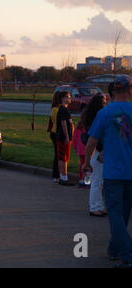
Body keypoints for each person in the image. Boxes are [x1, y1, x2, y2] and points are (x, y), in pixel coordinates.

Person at [84, 75, 132, 268]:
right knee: (123, 214)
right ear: (130, 89)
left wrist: (87, 162)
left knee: (115, 214)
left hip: (113, 172)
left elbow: (91, 142)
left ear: (113, 91)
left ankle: (127, 253)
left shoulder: (104, 113)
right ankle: (114, 249)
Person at [81, 93, 107, 216]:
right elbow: (97, 138)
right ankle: (95, 207)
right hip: (98, 152)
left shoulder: (91, 116)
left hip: (96, 151)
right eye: (104, 101)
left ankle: (99, 205)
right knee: (97, 181)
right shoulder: (98, 117)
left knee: (99, 181)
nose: (105, 103)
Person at [56, 91, 74, 186]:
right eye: (67, 96)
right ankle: (64, 178)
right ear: (62, 98)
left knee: (62, 157)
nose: (69, 98)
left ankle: (62, 177)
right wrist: (67, 136)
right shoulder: (63, 110)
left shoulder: (65, 109)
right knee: (64, 158)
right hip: (63, 137)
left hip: (64, 137)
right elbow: (64, 123)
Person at [47, 91, 61, 183]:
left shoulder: (55, 109)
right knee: (58, 155)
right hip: (56, 133)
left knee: (58, 154)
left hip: (54, 133)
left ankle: (57, 174)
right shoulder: (56, 110)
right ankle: (56, 175)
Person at [73, 120, 87, 188]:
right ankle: (86, 180)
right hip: (87, 148)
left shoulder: (78, 127)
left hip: (80, 148)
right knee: (88, 164)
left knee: (82, 164)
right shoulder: (88, 127)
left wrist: (76, 147)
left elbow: (74, 137)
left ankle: (81, 179)